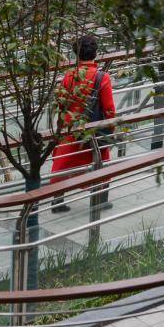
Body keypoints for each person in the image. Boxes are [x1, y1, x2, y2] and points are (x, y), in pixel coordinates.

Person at [50, 34, 115, 212]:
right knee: (101, 161)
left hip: (71, 129)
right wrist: (111, 127)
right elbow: (109, 108)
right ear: (95, 53)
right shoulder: (103, 77)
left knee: (62, 163)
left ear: (76, 54)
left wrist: (61, 127)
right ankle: (100, 200)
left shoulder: (69, 76)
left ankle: (57, 201)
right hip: (93, 130)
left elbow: (62, 103)